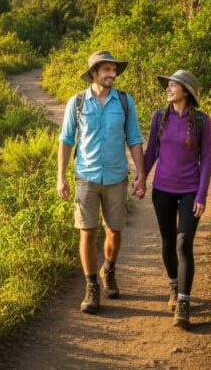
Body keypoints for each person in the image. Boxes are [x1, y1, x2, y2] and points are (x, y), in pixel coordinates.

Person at [57, 50, 147, 314]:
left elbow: (134, 139)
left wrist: (141, 175)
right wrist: (60, 176)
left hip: (117, 177)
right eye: (106, 70)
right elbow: (66, 140)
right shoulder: (77, 103)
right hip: (85, 176)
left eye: (114, 70)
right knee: (87, 231)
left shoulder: (125, 101)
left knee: (115, 231)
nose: (112, 74)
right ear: (94, 73)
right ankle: (91, 286)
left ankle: (108, 269)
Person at [144, 70, 211, 329]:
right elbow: (151, 151)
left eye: (173, 85)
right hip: (162, 189)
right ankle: (173, 285)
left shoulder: (202, 121)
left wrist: (202, 195)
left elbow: (206, 160)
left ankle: (183, 303)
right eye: (168, 85)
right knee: (168, 240)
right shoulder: (159, 117)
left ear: (187, 91)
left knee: (184, 243)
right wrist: (141, 179)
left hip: (189, 190)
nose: (168, 89)